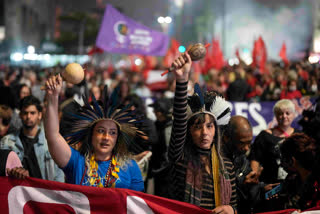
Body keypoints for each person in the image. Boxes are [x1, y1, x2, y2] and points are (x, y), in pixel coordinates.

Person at [44, 74, 144, 191]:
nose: (106, 137)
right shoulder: (76, 162)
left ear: (118, 138)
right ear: (91, 134)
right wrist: (53, 97)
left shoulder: (130, 166)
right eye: (101, 131)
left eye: (112, 133)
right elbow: (53, 136)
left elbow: (137, 204)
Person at [168, 53, 237, 213]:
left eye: (209, 126)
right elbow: (179, 120)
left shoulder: (226, 166)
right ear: (190, 131)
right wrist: (182, 79)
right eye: (198, 127)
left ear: (216, 131)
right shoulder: (180, 159)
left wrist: (231, 210)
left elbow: (234, 205)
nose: (204, 133)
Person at [223, 116, 279, 214]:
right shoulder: (216, 160)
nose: (246, 148)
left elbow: (249, 190)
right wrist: (243, 185)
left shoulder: (240, 157)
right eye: (242, 143)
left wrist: (262, 189)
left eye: (249, 143)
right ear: (227, 137)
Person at [0, 95, 64, 182]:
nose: (29, 116)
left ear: (39, 115)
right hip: (18, 192)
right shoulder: (7, 142)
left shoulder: (50, 141)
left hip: (45, 192)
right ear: (20, 115)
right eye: (25, 113)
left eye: (32, 113)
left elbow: (59, 174)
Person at [250, 99, 298, 184]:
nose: (284, 116)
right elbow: (255, 159)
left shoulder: (299, 135)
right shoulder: (264, 136)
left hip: (295, 184)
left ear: (293, 115)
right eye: (280, 113)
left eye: (287, 113)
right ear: (275, 116)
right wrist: (253, 182)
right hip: (269, 184)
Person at [280, 133, 320, 210]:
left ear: (292, 160)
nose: (281, 165)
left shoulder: (316, 186)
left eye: (284, 159)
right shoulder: (291, 182)